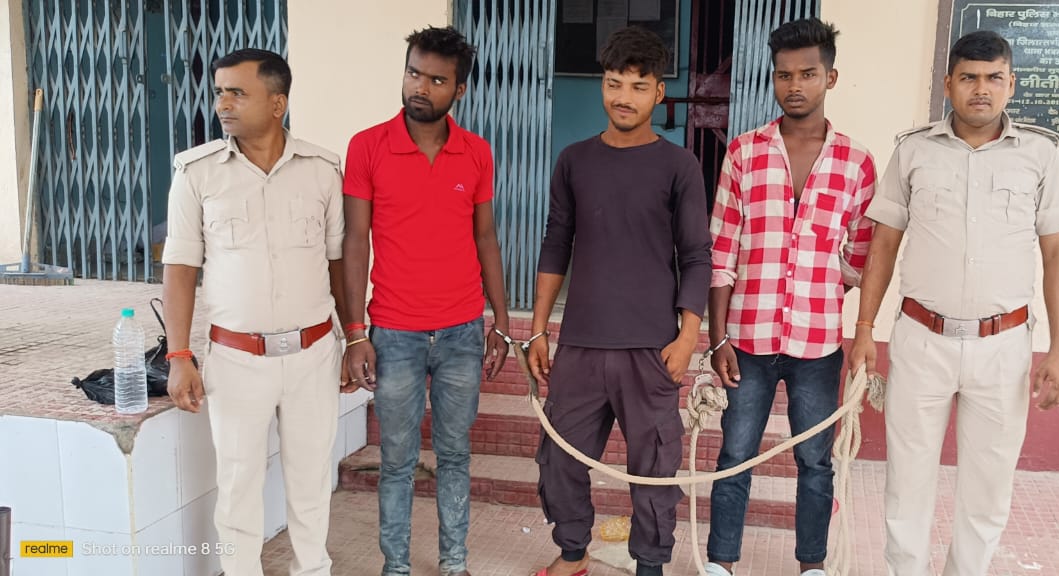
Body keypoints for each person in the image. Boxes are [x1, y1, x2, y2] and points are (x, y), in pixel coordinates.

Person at [847, 30, 1059, 576]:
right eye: (969, 78)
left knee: (988, 487)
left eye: (994, 78)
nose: (982, 89)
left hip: (1003, 347)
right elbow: (884, 244)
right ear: (948, 83)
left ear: (1011, 84)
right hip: (921, 339)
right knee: (907, 482)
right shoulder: (913, 151)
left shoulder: (1041, 156)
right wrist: (864, 329)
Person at [526, 26, 712, 576]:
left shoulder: (678, 165)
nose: (623, 97)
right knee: (559, 458)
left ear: (659, 92)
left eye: (638, 86)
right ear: (602, 86)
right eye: (613, 83)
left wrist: (687, 336)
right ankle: (573, 554)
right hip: (581, 343)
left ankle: (650, 565)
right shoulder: (574, 160)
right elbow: (556, 242)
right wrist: (538, 328)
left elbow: (696, 254)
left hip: (651, 348)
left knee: (654, 468)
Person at [162, 48, 348, 576]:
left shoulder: (322, 170)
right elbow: (180, 268)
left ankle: (313, 570)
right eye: (219, 91)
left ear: (277, 103)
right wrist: (179, 355)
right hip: (236, 358)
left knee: (311, 484)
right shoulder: (196, 173)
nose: (223, 103)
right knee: (238, 487)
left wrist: (353, 337)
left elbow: (339, 263)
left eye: (237, 93)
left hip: (313, 353)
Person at [702, 18, 877, 576]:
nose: (795, 85)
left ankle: (812, 566)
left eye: (808, 73)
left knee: (815, 461)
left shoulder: (857, 163)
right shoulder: (743, 153)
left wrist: (821, 288)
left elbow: (861, 254)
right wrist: (718, 338)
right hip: (747, 341)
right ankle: (721, 563)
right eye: (784, 75)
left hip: (818, 345)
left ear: (831, 77)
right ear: (773, 78)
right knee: (735, 455)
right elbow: (721, 251)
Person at [341, 26, 511, 576]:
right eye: (414, 73)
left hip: (462, 331)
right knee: (397, 460)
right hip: (394, 334)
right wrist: (355, 332)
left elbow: (486, 238)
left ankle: (454, 563)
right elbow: (355, 241)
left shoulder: (476, 152)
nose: (420, 86)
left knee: (455, 454)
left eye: (437, 80)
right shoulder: (368, 146)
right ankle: (396, 567)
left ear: (459, 90)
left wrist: (500, 320)